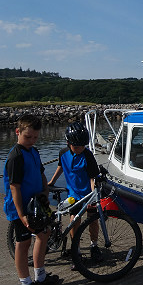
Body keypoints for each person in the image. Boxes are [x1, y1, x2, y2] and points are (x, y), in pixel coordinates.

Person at [3, 114, 61, 285]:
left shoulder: (34, 151)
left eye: (35, 137)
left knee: (44, 233)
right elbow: (14, 187)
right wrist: (21, 215)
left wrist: (45, 190)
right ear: (17, 132)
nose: (32, 140)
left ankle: (40, 276)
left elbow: (41, 172)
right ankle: (25, 281)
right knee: (23, 243)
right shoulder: (16, 157)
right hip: (21, 207)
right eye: (28, 137)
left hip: (38, 202)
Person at [47, 122, 101, 269]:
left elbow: (92, 178)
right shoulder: (63, 153)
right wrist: (52, 181)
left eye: (82, 146)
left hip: (87, 193)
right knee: (74, 220)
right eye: (77, 147)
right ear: (68, 143)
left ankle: (94, 245)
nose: (80, 149)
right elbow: (60, 166)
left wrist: (93, 197)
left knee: (92, 220)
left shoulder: (87, 155)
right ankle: (75, 250)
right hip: (73, 194)